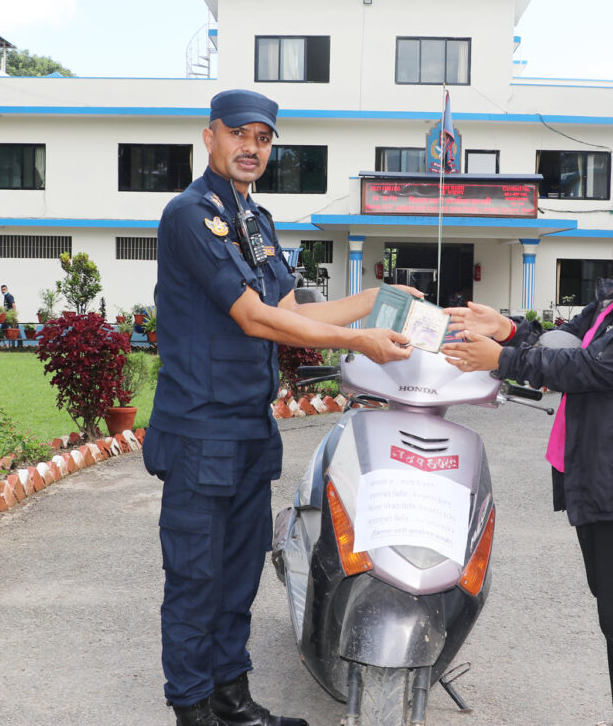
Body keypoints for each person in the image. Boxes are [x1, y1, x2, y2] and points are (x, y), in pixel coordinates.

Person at [144, 89, 414, 726]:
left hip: (248, 427)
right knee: (196, 578)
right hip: (201, 428)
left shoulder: (255, 221)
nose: (252, 148)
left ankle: (230, 699)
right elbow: (254, 317)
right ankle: (192, 708)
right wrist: (359, 340)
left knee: (238, 576)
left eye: (263, 139)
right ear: (210, 136)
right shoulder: (190, 215)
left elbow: (290, 311)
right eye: (239, 134)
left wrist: (378, 299)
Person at [441, 193, 613, 726]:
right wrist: (507, 329)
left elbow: (591, 368)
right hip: (604, 474)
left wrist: (501, 358)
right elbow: (568, 343)